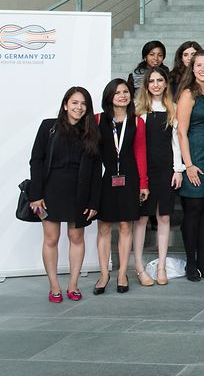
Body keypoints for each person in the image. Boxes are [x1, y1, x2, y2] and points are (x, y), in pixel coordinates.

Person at [28, 87, 101, 303]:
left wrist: (94, 200)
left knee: (76, 237)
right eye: (75, 103)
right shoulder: (48, 127)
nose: (79, 107)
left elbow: (97, 169)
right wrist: (36, 195)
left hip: (80, 192)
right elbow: (36, 161)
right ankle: (54, 287)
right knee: (51, 238)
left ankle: (73, 285)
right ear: (65, 105)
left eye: (83, 104)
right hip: (50, 192)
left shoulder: (92, 131)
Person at [94, 79, 149, 295]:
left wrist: (143, 183)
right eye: (117, 93)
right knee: (104, 227)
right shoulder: (97, 120)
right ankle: (103, 274)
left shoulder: (137, 122)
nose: (123, 95)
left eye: (126, 91)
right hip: (105, 179)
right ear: (109, 97)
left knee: (126, 226)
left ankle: (123, 273)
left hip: (130, 179)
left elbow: (140, 153)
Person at [134, 67, 183, 287]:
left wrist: (178, 169)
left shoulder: (172, 108)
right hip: (143, 172)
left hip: (166, 171)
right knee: (142, 219)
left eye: (159, 80)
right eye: (151, 80)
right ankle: (139, 268)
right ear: (146, 85)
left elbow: (177, 142)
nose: (155, 84)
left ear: (165, 84)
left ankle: (162, 266)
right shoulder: (138, 110)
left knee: (164, 218)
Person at [177, 51, 204, 281]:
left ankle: (203, 262)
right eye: (199, 65)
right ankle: (191, 264)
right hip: (194, 158)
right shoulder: (188, 94)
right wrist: (189, 165)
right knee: (193, 213)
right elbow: (181, 132)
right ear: (192, 69)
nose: (203, 69)